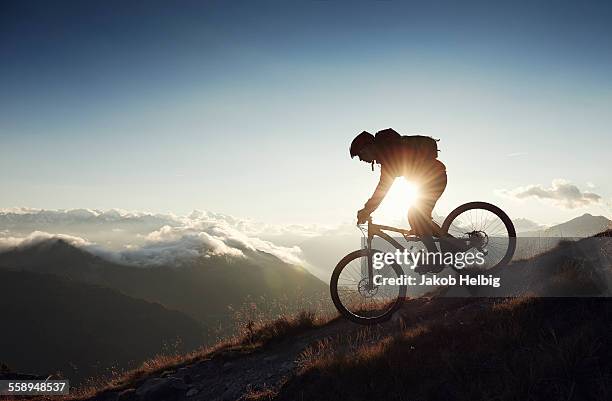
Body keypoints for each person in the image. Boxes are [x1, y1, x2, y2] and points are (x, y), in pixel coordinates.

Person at [350, 128, 447, 272]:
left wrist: (367, 210)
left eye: (361, 154)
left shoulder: (389, 155)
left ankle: (436, 260)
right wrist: (367, 209)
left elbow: (382, 189)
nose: (362, 159)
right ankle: (450, 242)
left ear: (368, 147)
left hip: (433, 178)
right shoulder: (387, 154)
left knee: (415, 215)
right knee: (418, 219)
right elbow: (382, 188)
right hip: (431, 178)